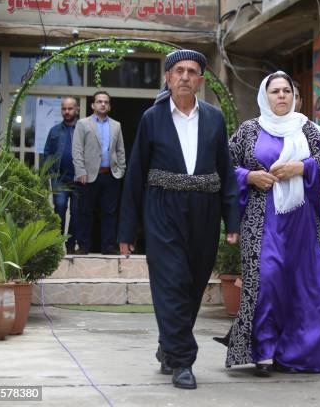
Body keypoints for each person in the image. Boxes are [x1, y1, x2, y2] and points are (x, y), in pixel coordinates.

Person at [118, 49, 240, 390]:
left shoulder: (215, 119)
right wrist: (128, 229)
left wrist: (232, 220)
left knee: (192, 285)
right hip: (162, 209)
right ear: (168, 78)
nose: (185, 76)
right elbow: (135, 175)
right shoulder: (151, 118)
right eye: (179, 71)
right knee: (171, 281)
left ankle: (168, 346)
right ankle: (183, 360)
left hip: (204, 210)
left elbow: (227, 173)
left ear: (200, 81)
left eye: (192, 72)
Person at [225, 71, 320, 377]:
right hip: (261, 220)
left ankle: (296, 354)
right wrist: (249, 176)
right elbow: (224, 163)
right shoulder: (248, 130)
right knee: (267, 281)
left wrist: (301, 166)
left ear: (294, 97)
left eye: (287, 91)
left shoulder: (307, 128)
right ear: (265, 95)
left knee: (303, 286)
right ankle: (264, 352)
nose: (282, 96)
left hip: (300, 222)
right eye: (276, 91)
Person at [72, 91, 126, 255]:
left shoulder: (116, 125)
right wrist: (80, 170)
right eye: (99, 101)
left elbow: (120, 150)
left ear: (109, 106)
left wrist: (121, 169)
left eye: (106, 102)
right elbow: (77, 149)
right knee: (85, 212)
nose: (103, 104)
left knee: (110, 213)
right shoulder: (83, 124)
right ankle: (83, 246)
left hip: (110, 175)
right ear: (93, 105)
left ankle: (108, 246)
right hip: (88, 175)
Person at [43, 96, 80, 254]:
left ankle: (70, 245)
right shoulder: (54, 131)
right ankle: (57, 245)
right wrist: (51, 173)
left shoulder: (83, 128)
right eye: (64, 109)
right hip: (60, 178)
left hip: (79, 178)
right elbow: (47, 153)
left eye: (70, 108)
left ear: (76, 109)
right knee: (59, 209)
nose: (66, 111)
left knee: (77, 212)